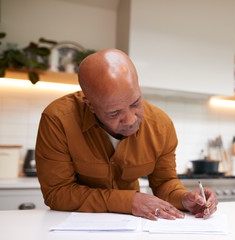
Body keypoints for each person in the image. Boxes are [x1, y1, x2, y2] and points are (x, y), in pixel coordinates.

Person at [35, 48, 218, 221]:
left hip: (131, 229)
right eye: (114, 113)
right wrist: (128, 201)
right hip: (70, 228)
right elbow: (57, 193)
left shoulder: (161, 126)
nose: (130, 120)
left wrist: (185, 198)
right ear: (90, 105)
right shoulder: (57, 120)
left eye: (135, 103)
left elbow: (164, 182)